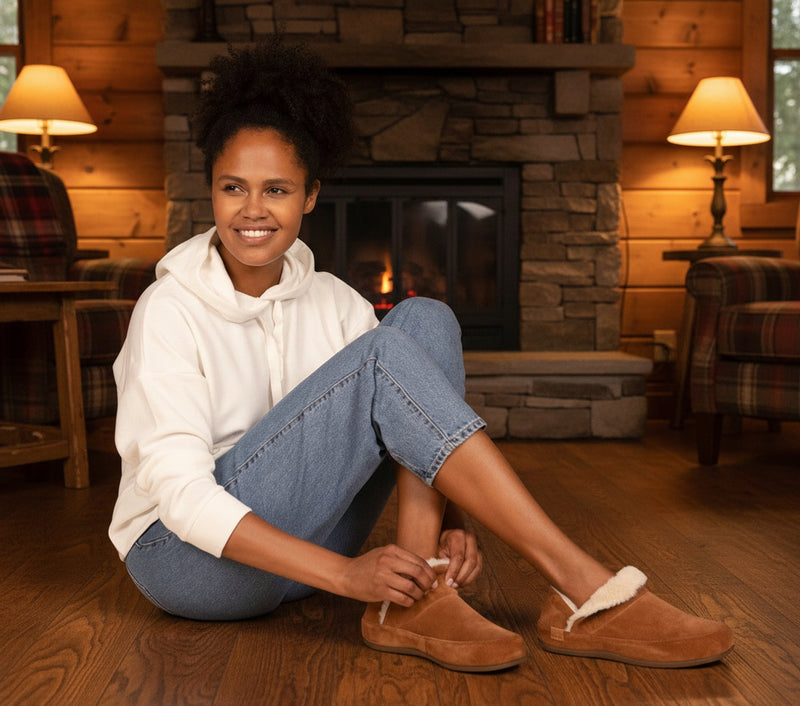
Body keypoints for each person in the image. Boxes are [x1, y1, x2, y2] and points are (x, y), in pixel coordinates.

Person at [109, 39, 733, 673]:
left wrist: (454, 522)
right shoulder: (170, 308)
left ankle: (417, 599)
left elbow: (411, 418)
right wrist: (348, 577)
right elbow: (183, 501)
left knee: (425, 322)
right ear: (210, 191)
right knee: (386, 351)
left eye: (277, 189)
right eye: (233, 187)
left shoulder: (333, 301)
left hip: (304, 549)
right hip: (191, 566)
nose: (252, 210)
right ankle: (585, 584)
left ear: (311, 196)